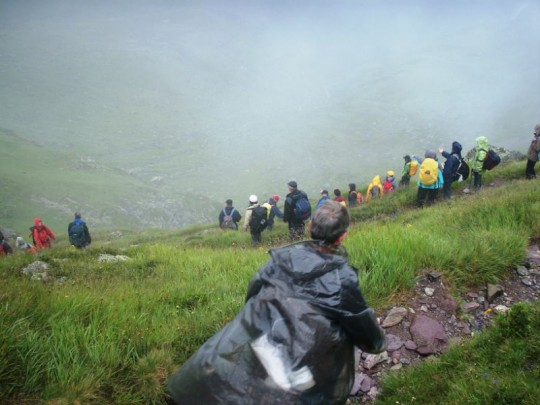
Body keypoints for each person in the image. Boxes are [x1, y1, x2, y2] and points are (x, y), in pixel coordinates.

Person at [167, 201, 386, 405]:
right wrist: (378, 343)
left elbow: (253, 291)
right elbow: (361, 324)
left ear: (310, 226)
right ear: (342, 237)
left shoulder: (281, 258)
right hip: (307, 362)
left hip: (267, 340)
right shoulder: (343, 278)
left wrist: (258, 321)